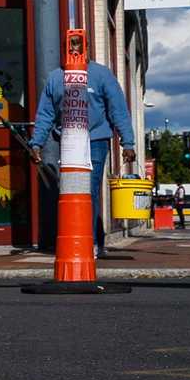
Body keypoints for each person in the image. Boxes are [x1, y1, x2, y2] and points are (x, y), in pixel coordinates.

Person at [28, 57, 135, 257]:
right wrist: (37, 142)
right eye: (71, 45)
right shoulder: (55, 78)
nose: (75, 50)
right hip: (68, 142)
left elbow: (117, 109)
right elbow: (45, 113)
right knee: (71, 192)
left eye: (79, 45)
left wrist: (127, 142)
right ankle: (82, 239)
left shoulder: (101, 75)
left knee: (89, 190)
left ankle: (91, 242)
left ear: (86, 48)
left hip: (96, 141)